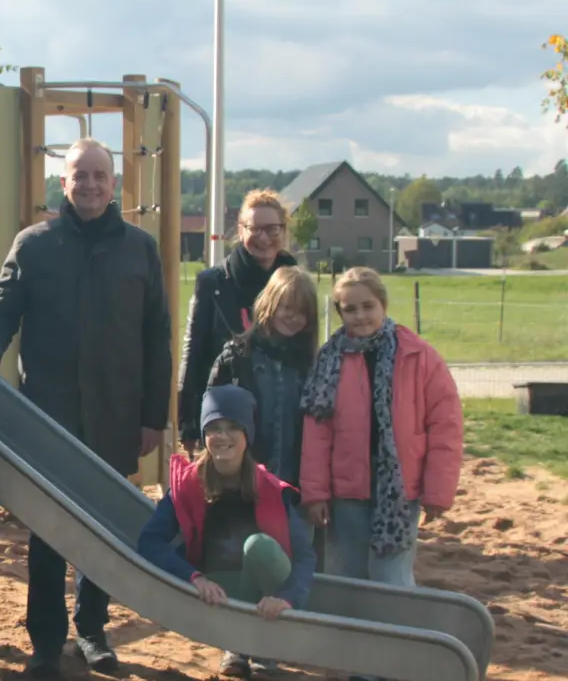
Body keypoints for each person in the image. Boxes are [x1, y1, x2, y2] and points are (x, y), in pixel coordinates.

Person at [0, 138, 173, 677]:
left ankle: (91, 628)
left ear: (115, 185)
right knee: (48, 528)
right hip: (49, 415)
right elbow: (1, 311)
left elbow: (158, 335)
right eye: (78, 175)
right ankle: (46, 638)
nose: (88, 184)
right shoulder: (34, 245)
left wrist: (154, 413)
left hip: (115, 412)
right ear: (63, 184)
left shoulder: (140, 249)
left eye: (98, 176)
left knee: (105, 527)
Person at [300, 269, 462, 616]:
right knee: (347, 580)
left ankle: (394, 654)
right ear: (340, 313)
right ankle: (356, 659)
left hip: (400, 492)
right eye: (350, 309)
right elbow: (317, 432)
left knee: (392, 581)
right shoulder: (329, 361)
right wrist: (314, 492)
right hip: (347, 494)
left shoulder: (419, 357)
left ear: (383, 305)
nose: (360, 316)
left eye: (367, 306)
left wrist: (438, 492)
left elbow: (445, 426)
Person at [138, 387, 316, 679]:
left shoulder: (270, 489)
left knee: (259, 546)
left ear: (248, 435)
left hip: (264, 592)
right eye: (214, 428)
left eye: (233, 428)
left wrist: (287, 598)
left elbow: (305, 555)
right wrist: (192, 577)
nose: (223, 436)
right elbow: (149, 540)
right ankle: (236, 644)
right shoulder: (188, 485)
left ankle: (264, 646)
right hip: (217, 589)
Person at [180, 188, 300, 453]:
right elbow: (194, 352)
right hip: (229, 415)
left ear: (284, 229)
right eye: (254, 229)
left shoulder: (296, 283)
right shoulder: (214, 282)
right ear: (240, 229)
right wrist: (188, 420)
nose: (263, 238)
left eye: (272, 229)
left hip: (284, 414)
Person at [207, 266, 320, 487]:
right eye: (287, 307)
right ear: (269, 305)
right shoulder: (236, 358)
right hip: (244, 483)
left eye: (303, 312)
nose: (294, 317)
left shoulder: (310, 365)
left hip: (294, 486)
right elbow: (213, 418)